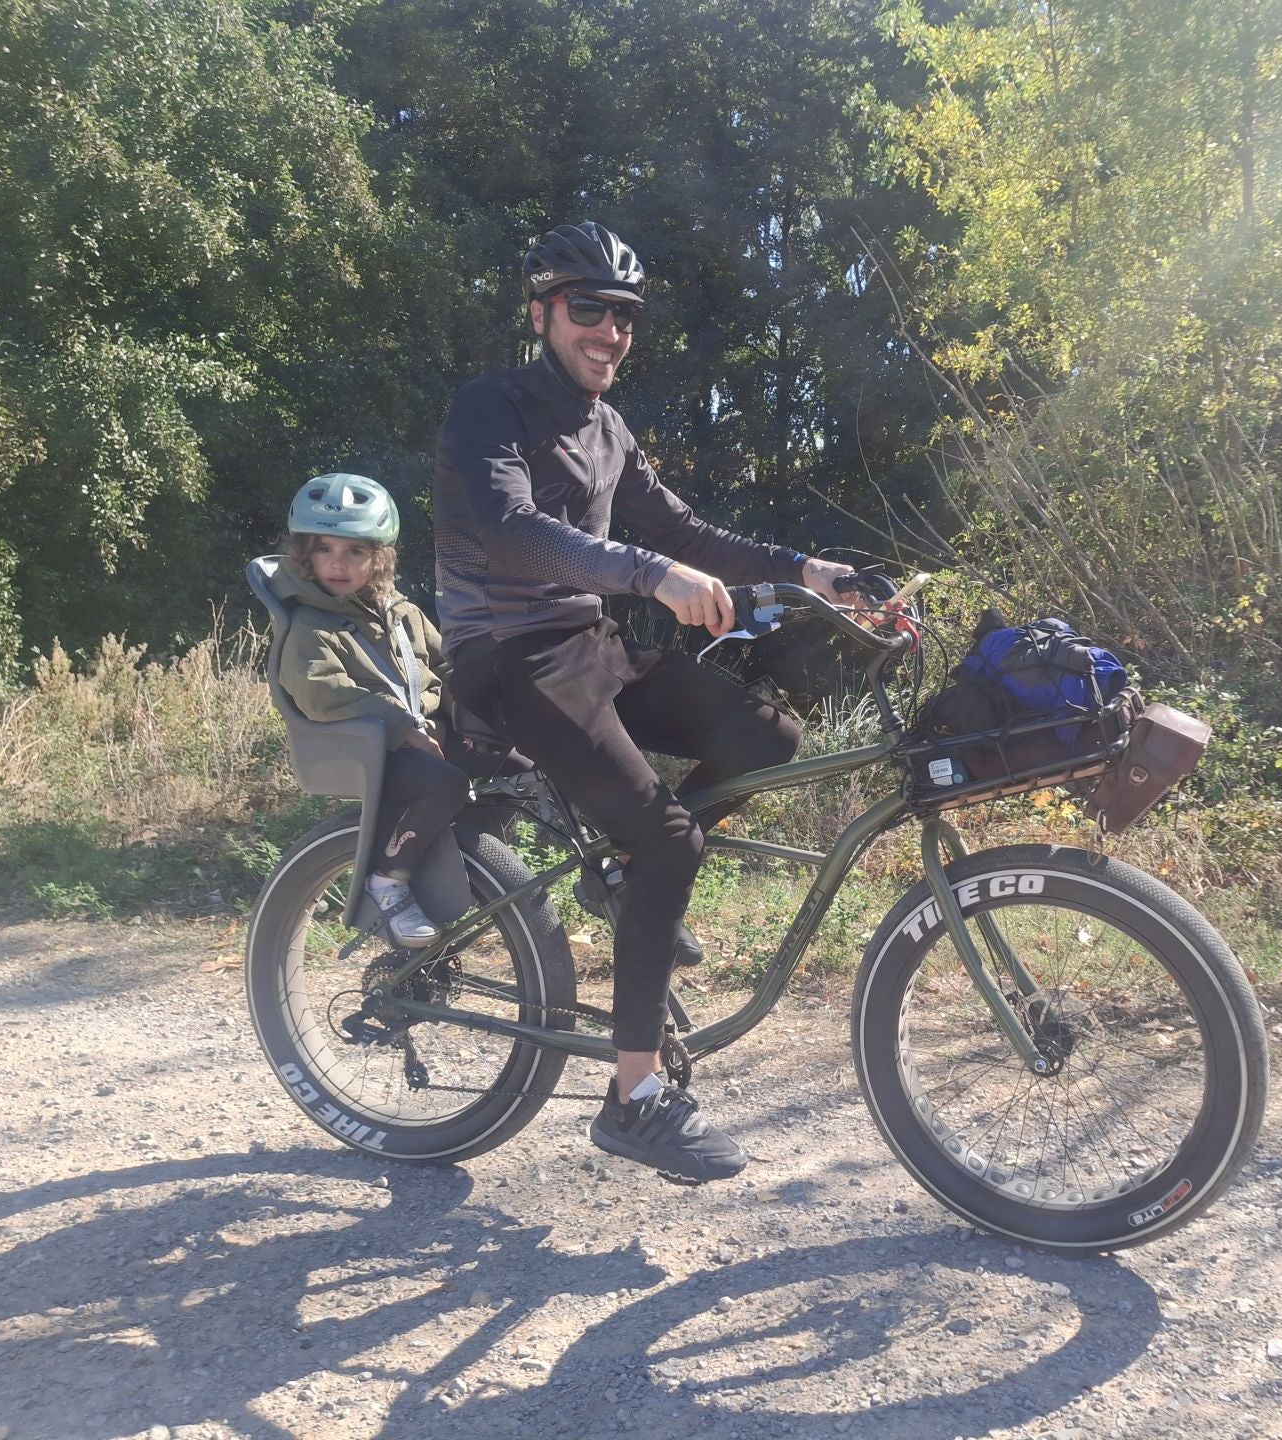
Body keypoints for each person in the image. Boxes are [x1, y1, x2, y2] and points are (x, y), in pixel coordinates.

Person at [434, 221, 855, 1183]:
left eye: (624, 316)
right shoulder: (487, 407)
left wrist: (813, 571)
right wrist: (648, 574)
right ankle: (632, 1098)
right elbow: (511, 532)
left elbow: (683, 528)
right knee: (674, 838)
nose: (610, 331)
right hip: (507, 657)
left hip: (591, 644)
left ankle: (623, 880)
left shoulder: (608, 428)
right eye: (590, 310)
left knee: (766, 733)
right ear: (543, 312)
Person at [274, 473, 467, 950]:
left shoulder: (399, 611)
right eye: (325, 550)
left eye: (354, 552)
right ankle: (388, 880)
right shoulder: (310, 624)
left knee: (512, 752)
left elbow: (446, 660)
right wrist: (404, 729)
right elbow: (323, 693)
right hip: (367, 747)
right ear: (305, 555)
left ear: (378, 558)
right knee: (445, 783)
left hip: (418, 734)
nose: (338, 564)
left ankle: (480, 867)